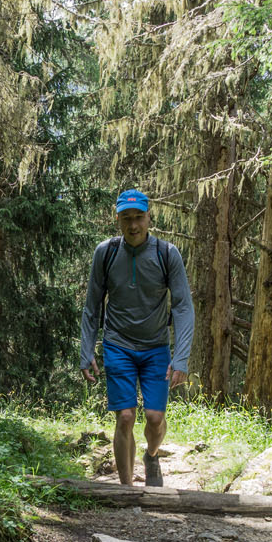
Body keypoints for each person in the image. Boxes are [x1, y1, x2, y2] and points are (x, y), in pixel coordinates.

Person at [79, 189, 194, 487]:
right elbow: (92, 305)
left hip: (156, 347)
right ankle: (126, 490)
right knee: (126, 417)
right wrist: (86, 349)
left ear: (149, 218)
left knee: (155, 418)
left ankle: (152, 456)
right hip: (118, 345)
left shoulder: (166, 254)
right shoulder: (106, 252)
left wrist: (180, 356)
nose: (133, 225)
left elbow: (182, 306)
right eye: (126, 218)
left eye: (139, 218)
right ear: (117, 219)